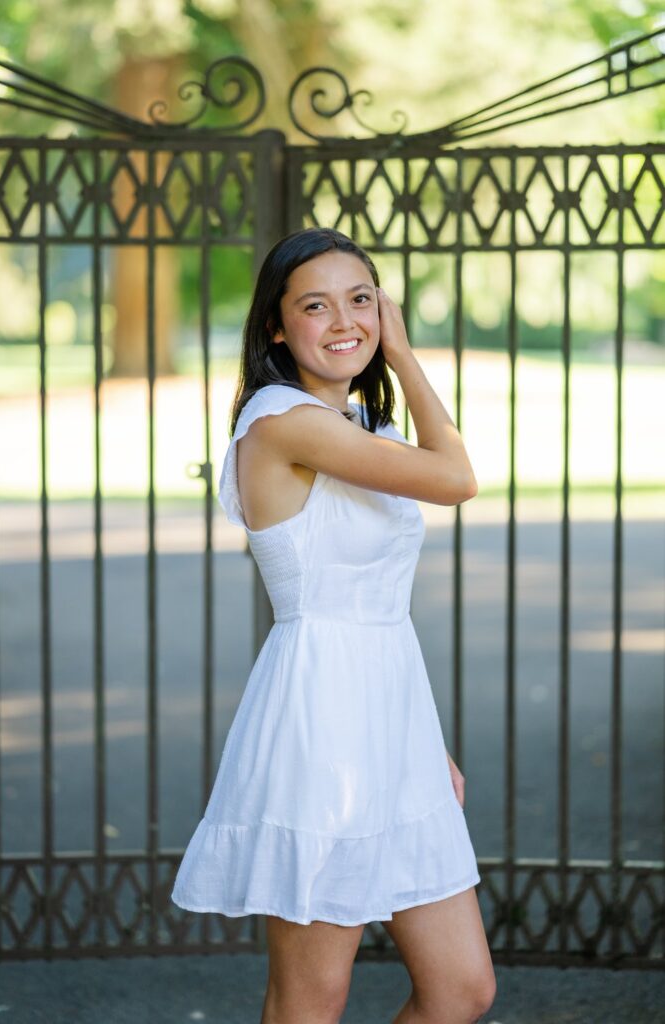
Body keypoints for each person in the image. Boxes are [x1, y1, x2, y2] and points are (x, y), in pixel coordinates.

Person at [171, 227, 496, 1024]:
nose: (344, 321)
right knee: (312, 998)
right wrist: (405, 354)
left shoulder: (358, 426)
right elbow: (455, 477)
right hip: (320, 730)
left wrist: (421, 739)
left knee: (461, 990)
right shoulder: (283, 422)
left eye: (361, 300)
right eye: (315, 306)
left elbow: (377, 602)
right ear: (278, 329)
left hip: (391, 717)